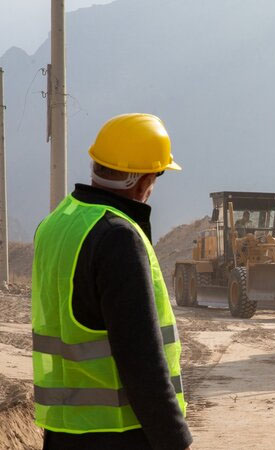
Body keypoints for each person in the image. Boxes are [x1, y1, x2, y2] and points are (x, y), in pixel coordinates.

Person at [31, 113, 192, 450]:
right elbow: (141, 359)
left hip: (62, 432)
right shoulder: (117, 236)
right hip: (119, 435)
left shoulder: (56, 223)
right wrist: (175, 440)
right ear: (144, 180)